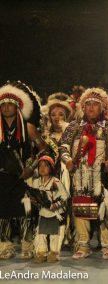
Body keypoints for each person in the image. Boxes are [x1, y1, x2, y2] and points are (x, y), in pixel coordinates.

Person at [60, 87, 108, 260]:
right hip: (79, 175)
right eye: (87, 104)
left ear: (103, 107)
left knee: (105, 208)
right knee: (81, 208)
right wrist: (67, 160)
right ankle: (83, 245)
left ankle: (107, 244)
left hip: (103, 174)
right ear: (82, 107)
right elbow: (63, 148)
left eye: (95, 105)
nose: (91, 108)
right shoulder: (73, 127)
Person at [0, 81, 47, 260]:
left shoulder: (28, 127)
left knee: (25, 210)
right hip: (2, 176)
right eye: (3, 104)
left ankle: (28, 244)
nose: (6, 108)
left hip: (23, 177)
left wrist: (31, 168)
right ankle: (5, 245)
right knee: (2, 211)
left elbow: (44, 149)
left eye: (10, 104)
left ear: (18, 105)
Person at [31, 155, 68, 263]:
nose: (42, 168)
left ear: (51, 168)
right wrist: (34, 201)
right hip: (43, 212)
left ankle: (54, 253)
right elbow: (34, 195)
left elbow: (64, 196)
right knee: (41, 233)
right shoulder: (36, 182)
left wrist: (56, 204)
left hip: (54, 213)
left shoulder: (55, 181)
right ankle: (41, 252)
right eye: (40, 166)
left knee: (54, 234)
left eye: (45, 166)